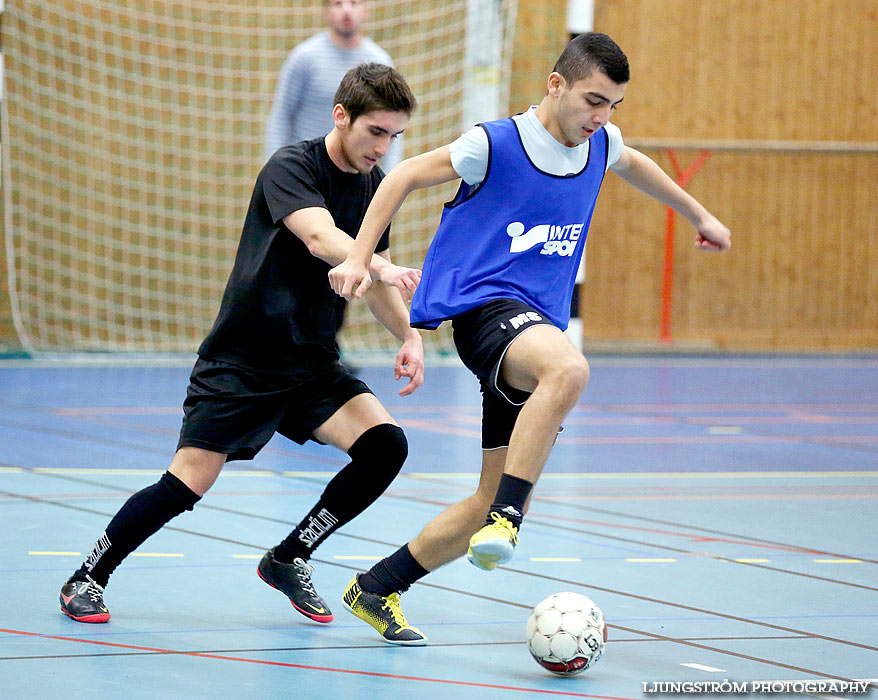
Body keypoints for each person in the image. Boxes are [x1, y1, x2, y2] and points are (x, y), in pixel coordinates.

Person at [329, 32, 731, 645]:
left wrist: (699, 214)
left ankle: (378, 585)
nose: (601, 118)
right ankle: (510, 519)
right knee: (568, 371)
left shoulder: (602, 143)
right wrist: (360, 257)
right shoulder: (493, 144)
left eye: (613, 106)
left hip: (533, 325)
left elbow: (635, 163)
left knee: (485, 498)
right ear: (556, 85)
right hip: (486, 313)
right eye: (593, 101)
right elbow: (401, 176)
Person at [59, 64, 426, 644]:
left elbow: (373, 284)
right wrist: (376, 262)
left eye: (393, 137)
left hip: (311, 364)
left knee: (385, 446)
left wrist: (408, 334)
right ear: (342, 116)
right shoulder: (292, 166)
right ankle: (87, 575)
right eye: (374, 132)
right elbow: (321, 239)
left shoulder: (372, 186)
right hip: (244, 359)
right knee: (186, 484)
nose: (381, 147)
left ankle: (288, 557)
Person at [265, 0, 402, 171]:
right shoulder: (304, 58)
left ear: (366, 10)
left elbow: (390, 126)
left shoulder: (380, 61)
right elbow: (282, 114)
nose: (346, 10)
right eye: (338, 3)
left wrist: (392, 176)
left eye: (353, 3)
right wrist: (274, 168)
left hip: (354, 173)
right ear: (326, 11)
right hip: (307, 167)